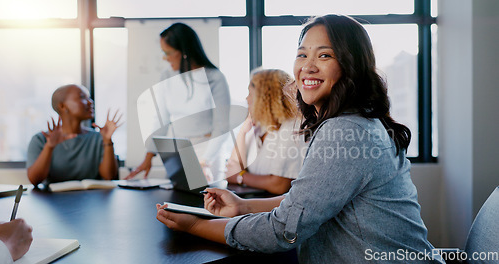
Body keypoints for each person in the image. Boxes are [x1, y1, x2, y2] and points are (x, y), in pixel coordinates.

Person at [156, 14, 443, 263]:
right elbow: (304, 202)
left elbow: (284, 230)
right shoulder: (354, 122)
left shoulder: (345, 132)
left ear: (350, 65)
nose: (308, 66)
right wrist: (242, 206)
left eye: (325, 55)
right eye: (302, 54)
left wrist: (194, 226)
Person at [127, 22, 230, 182]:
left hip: (208, 152)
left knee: (208, 202)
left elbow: (222, 127)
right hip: (180, 153)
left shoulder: (215, 78)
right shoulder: (167, 76)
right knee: (179, 200)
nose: (165, 58)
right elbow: (161, 120)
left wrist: (206, 162)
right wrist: (148, 157)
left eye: (168, 52)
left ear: (184, 52)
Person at [224, 68, 307, 195]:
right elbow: (232, 166)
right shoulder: (260, 128)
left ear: (265, 98)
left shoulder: (292, 128)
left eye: (250, 94)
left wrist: (240, 177)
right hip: (255, 200)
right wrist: (242, 132)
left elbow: (279, 185)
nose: (247, 99)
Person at [27, 84, 121, 186]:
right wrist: (49, 147)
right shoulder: (41, 139)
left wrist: (107, 141)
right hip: (53, 200)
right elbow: (35, 180)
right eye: (82, 97)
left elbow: (109, 176)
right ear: (62, 106)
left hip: (91, 198)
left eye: (89, 98)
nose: (90, 102)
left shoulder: (98, 138)